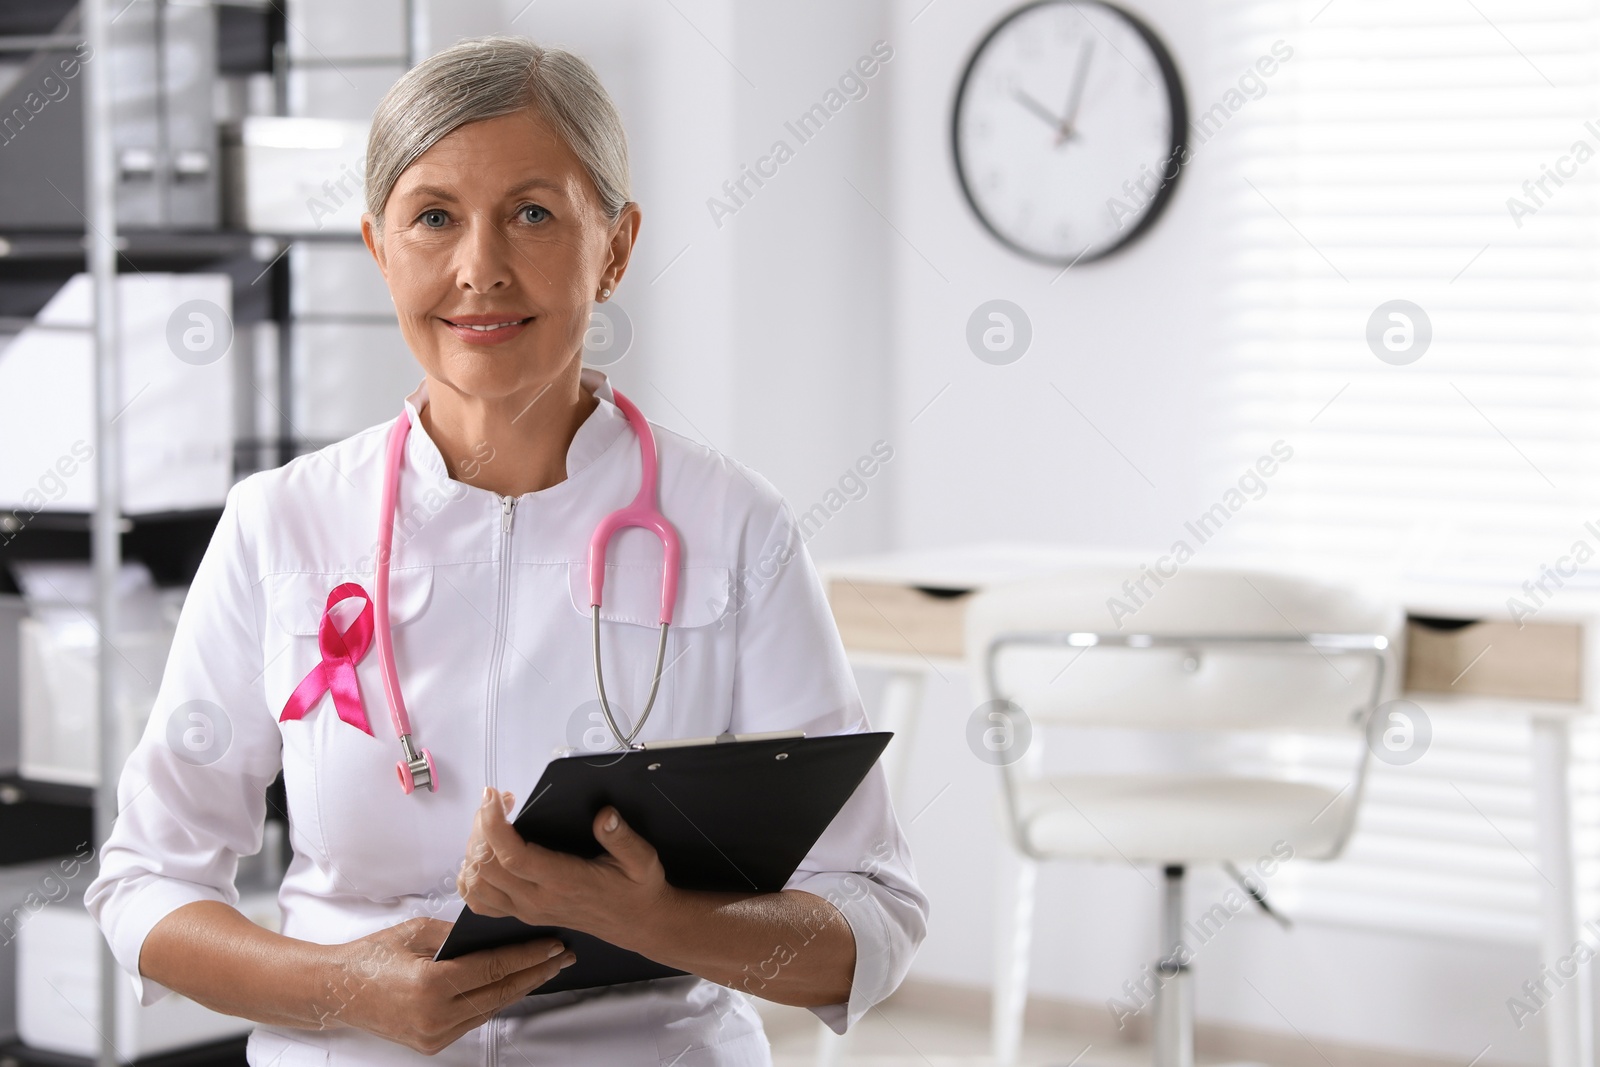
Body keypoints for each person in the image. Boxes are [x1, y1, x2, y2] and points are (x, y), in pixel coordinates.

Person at [85, 34, 926, 1066]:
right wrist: (341, 985)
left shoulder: (735, 526)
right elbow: (145, 883)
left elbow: (869, 918)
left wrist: (652, 919)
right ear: (378, 246)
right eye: (433, 217)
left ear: (614, 246)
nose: (478, 268)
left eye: (533, 213)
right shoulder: (280, 524)